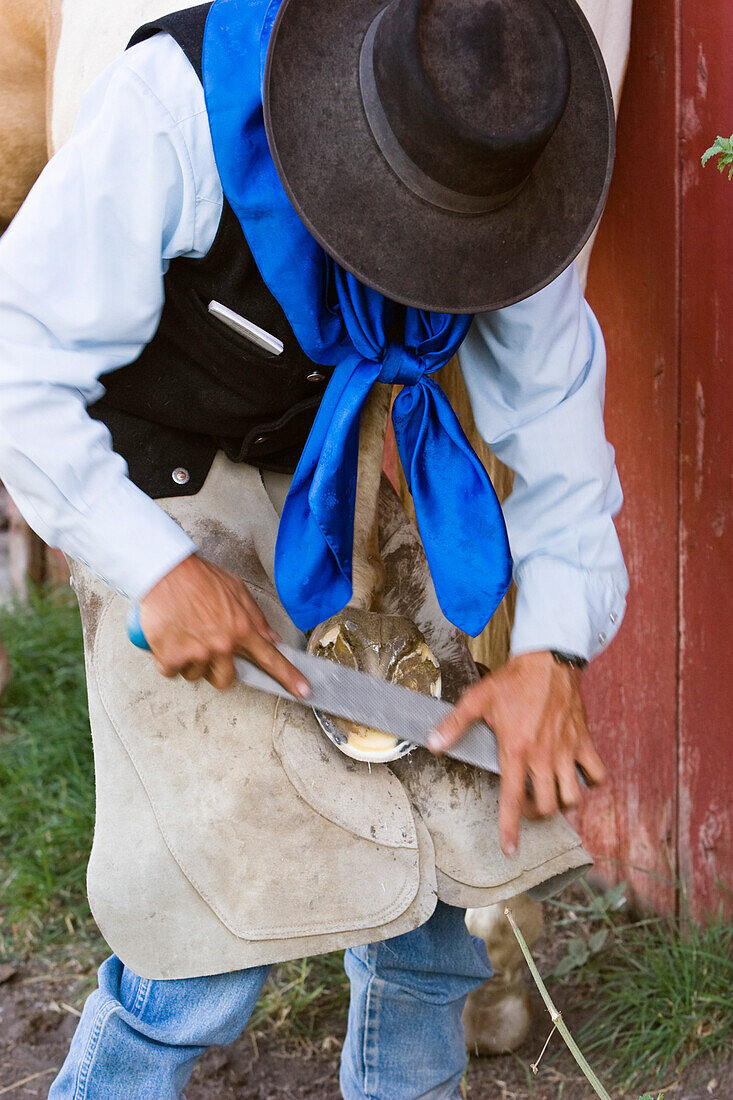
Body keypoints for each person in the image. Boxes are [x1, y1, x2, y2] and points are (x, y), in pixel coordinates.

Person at [0, 0, 628, 1096]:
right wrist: (158, 565)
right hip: (156, 471)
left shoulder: (518, 145)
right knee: (204, 924)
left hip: (354, 458)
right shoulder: (179, 110)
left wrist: (553, 653)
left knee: (442, 887)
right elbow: (17, 363)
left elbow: (559, 429)